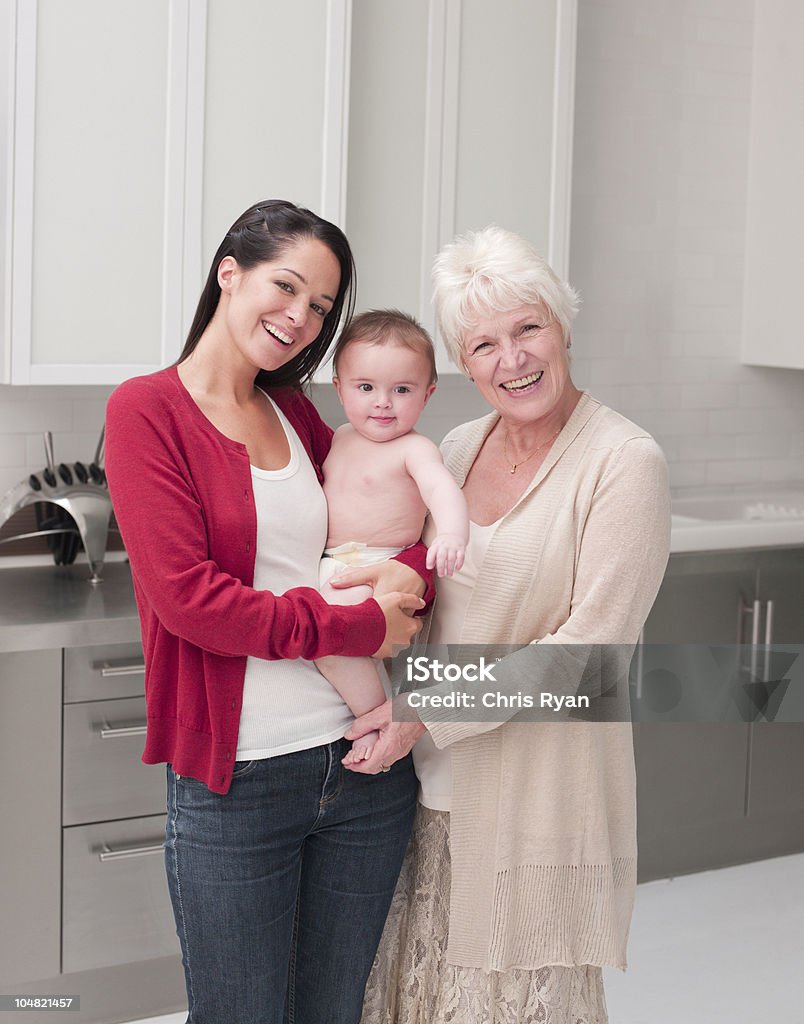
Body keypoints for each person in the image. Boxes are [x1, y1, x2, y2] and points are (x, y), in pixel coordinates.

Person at [104, 200, 434, 1024]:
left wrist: (410, 580)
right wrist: (362, 626)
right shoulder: (147, 412)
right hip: (239, 781)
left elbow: (377, 526)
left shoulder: (295, 410)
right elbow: (193, 604)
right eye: (286, 287)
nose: (300, 318)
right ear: (230, 272)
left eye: (321, 306)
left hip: (364, 769)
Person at [336, 226, 672, 1024]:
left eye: (527, 329)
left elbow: (589, 656)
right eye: (482, 343)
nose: (511, 359)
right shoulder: (452, 447)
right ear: (461, 361)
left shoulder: (624, 461)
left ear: (562, 326)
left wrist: (422, 708)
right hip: (422, 797)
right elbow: (420, 588)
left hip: (540, 798)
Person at [315, 310, 469, 765]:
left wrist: (452, 535)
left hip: (379, 566)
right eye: (366, 388)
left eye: (401, 390)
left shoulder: (415, 449)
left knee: (330, 640)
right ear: (339, 388)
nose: (383, 402)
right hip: (332, 562)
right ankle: (369, 711)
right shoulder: (339, 437)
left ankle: (372, 719)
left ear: (427, 395)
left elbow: (442, 489)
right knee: (323, 643)